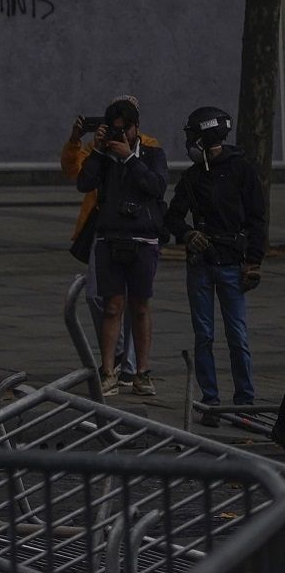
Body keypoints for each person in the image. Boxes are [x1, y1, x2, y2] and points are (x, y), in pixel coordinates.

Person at [165, 106, 265, 408]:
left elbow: (257, 218)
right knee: (204, 335)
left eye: (194, 138)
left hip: (233, 264)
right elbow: (172, 217)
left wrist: (254, 261)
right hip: (201, 265)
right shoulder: (193, 177)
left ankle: (245, 401)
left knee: (238, 336)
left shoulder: (241, 170)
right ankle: (210, 400)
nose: (191, 145)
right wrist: (187, 234)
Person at [74, 98, 169, 396]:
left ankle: (142, 372)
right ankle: (107, 371)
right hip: (109, 237)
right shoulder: (103, 155)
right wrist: (99, 150)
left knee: (140, 307)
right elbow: (84, 182)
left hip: (142, 238)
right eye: (114, 130)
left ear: (136, 127)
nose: (120, 136)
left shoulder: (152, 153)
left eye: (125, 130)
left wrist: (129, 158)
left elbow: (156, 186)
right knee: (112, 306)